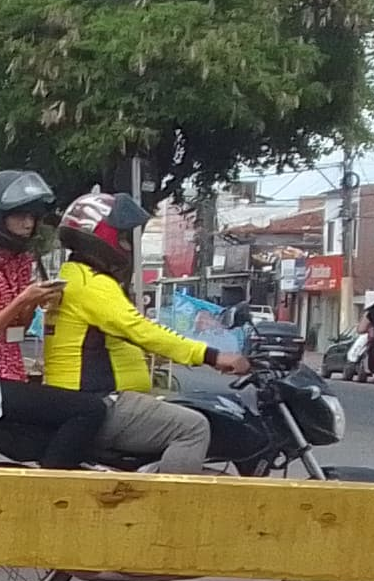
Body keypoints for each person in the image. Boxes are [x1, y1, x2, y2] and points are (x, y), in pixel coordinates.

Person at [45, 190, 247, 472]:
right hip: (100, 402)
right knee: (194, 427)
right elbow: (142, 331)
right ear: (103, 236)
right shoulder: (93, 286)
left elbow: (124, 335)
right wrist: (212, 356)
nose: (128, 247)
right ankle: (166, 511)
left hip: (86, 400)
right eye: (124, 238)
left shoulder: (74, 277)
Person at [0, 168, 115, 470]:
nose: (28, 224)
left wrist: (34, 305)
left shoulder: (20, 261)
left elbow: (16, 330)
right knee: (90, 410)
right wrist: (23, 300)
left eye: (32, 217)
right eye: (20, 216)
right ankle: (52, 489)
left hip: (13, 373)